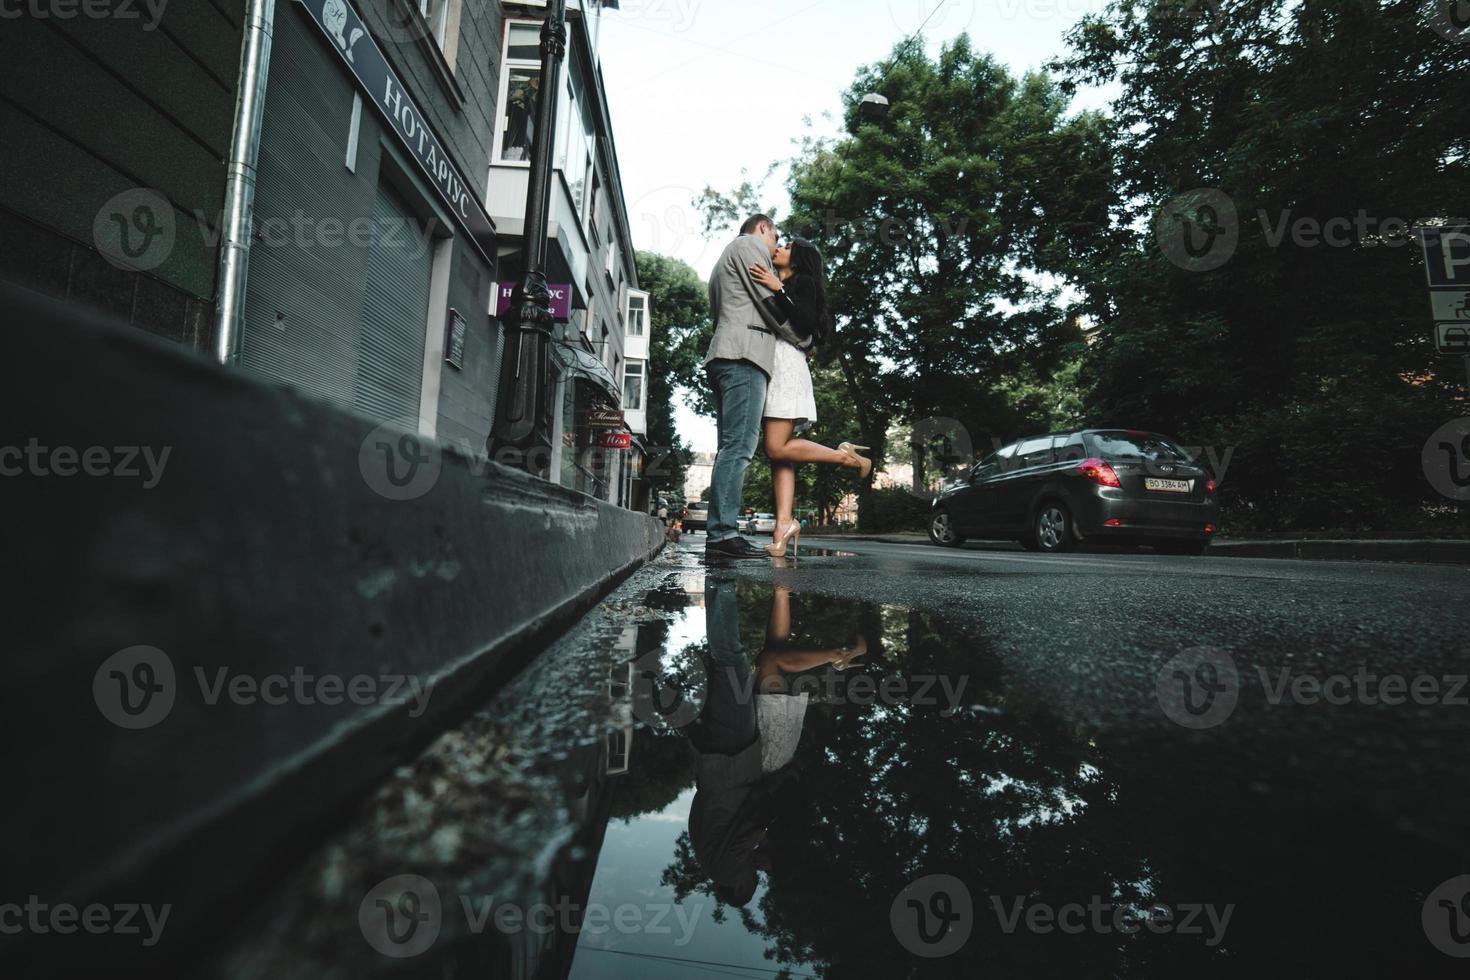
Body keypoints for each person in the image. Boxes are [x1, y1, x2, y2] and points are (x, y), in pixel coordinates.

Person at [748, 239, 871, 557]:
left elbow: (803, 323)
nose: (779, 248)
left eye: (786, 245)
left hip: (787, 367)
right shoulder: (790, 283)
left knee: (775, 447)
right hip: (779, 366)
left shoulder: (801, 282)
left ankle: (846, 457)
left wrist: (778, 288)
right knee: (781, 456)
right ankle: (783, 527)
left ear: (798, 258)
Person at [701, 216, 813, 560]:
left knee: (730, 446)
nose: (776, 246)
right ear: (762, 228)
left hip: (727, 356)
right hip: (744, 359)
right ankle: (723, 535)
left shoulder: (724, 259)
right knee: (739, 447)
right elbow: (771, 307)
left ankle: (721, 532)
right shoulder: (749, 246)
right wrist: (803, 337)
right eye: (775, 236)